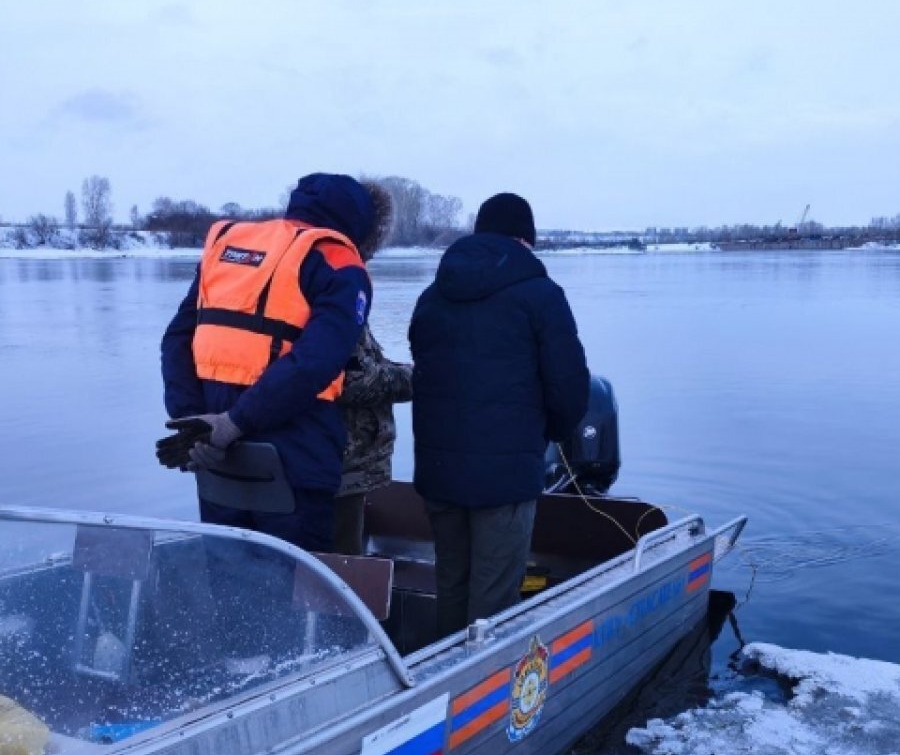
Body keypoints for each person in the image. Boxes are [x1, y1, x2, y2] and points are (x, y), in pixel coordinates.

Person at [161, 173, 389, 553]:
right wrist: (234, 424)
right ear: (359, 224)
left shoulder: (227, 248)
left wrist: (195, 425)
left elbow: (178, 339)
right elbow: (316, 361)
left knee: (228, 578)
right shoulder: (340, 261)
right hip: (296, 455)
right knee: (300, 590)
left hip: (217, 455)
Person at [408, 192, 591, 636]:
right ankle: (481, 698)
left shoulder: (433, 296)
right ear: (525, 239)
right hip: (506, 476)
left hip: (438, 469)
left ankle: (442, 686)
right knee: (494, 599)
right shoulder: (542, 295)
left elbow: (423, 366)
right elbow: (568, 386)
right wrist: (551, 434)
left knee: (451, 583)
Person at [334, 327, 413, 554]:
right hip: (343, 466)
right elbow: (357, 382)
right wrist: (420, 376)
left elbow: (369, 363)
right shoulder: (338, 307)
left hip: (345, 465)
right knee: (341, 560)